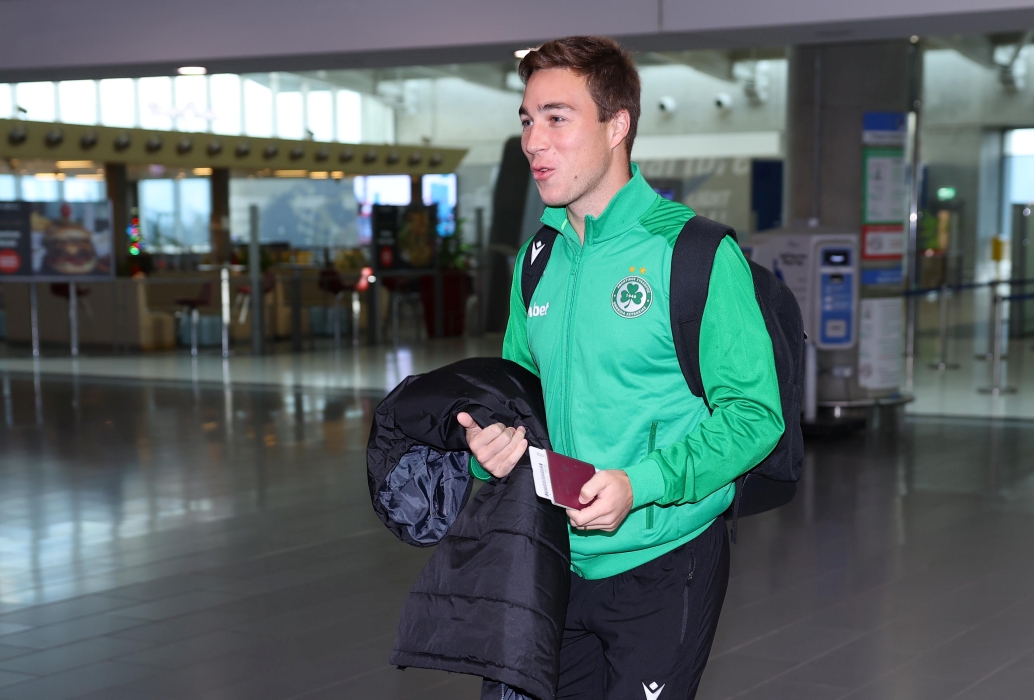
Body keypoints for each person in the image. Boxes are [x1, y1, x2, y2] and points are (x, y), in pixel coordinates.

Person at [457, 35, 783, 700]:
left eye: (557, 118)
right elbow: (520, 401)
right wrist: (492, 450)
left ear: (617, 126)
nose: (533, 141)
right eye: (527, 120)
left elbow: (755, 416)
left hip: (664, 561)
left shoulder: (692, 254)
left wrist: (641, 484)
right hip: (551, 558)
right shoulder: (537, 260)